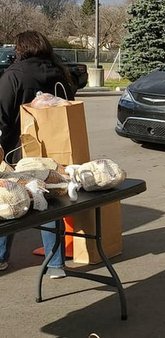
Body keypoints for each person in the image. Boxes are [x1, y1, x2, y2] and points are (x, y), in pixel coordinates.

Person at [0, 30, 74, 277]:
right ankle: (55, 264)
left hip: (18, 151)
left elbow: (2, 115)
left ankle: (1, 257)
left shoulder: (14, 75)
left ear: (21, 49)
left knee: (10, 201)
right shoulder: (60, 73)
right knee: (49, 202)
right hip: (54, 151)